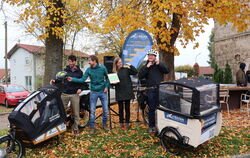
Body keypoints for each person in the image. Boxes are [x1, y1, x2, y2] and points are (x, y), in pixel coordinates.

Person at [68, 55, 110, 134]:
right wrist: (72, 79)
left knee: (105, 110)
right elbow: (82, 79)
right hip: (93, 92)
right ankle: (92, 127)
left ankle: (104, 125)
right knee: (92, 111)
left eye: (90, 60)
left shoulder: (103, 68)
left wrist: (106, 86)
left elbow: (108, 78)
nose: (88, 62)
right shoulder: (88, 70)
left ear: (94, 61)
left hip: (103, 92)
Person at [50, 55, 83, 136]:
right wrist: (54, 80)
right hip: (65, 94)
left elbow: (83, 82)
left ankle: (75, 128)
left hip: (75, 94)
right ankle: (61, 127)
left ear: (75, 61)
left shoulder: (79, 72)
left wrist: (80, 89)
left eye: (72, 61)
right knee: (61, 111)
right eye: (69, 61)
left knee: (75, 112)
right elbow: (59, 78)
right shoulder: (65, 70)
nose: (70, 63)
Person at [138, 49, 169, 134]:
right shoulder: (146, 66)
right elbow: (140, 75)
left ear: (155, 57)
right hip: (150, 90)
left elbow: (167, 70)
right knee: (152, 109)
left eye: (152, 55)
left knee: (161, 108)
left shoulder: (159, 65)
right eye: (149, 55)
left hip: (160, 90)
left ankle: (161, 124)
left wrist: (160, 64)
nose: (150, 56)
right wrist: (147, 67)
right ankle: (151, 126)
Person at [112, 57, 138, 129]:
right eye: (119, 63)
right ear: (116, 64)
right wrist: (113, 83)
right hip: (119, 91)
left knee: (127, 108)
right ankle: (121, 123)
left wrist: (130, 65)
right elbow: (111, 83)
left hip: (127, 91)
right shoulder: (114, 72)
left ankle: (127, 123)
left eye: (121, 62)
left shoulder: (126, 69)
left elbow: (135, 72)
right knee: (120, 109)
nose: (120, 64)